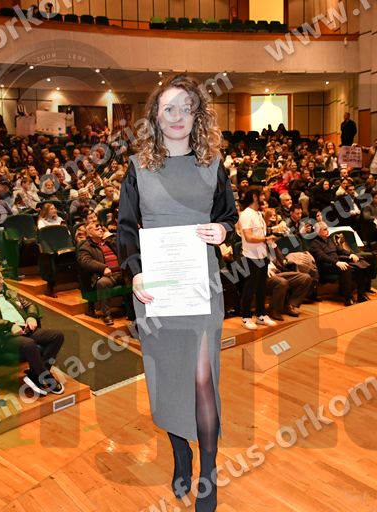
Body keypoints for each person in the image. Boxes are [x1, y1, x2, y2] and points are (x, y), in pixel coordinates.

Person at [117, 75, 238, 512]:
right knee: (169, 378)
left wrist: (222, 230)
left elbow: (229, 216)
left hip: (200, 286)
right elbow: (126, 229)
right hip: (156, 288)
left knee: (204, 379)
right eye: (168, 108)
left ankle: (209, 475)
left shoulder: (213, 163)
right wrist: (134, 273)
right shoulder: (137, 167)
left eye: (186, 108)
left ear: (197, 115)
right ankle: (181, 453)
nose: (177, 117)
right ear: (155, 115)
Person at [0, 268, 65, 395]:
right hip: (4, 336)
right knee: (29, 344)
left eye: (2, 278)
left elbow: (30, 305)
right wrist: (9, 326)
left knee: (57, 336)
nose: (2, 281)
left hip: (25, 329)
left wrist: (31, 316)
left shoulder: (10, 293)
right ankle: (46, 377)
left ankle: (34, 375)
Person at [236, 186, 277, 330]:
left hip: (262, 255)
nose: (264, 197)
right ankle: (246, 317)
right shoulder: (246, 214)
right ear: (255, 196)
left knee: (261, 287)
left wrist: (270, 234)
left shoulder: (258, 213)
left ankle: (261, 314)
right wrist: (266, 239)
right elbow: (248, 237)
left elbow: (260, 233)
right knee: (249, 288)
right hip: (250, 257)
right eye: (262, 195)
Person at [308, 222, 372, 305]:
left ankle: (361, 294)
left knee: (360, 265)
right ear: (318, 232)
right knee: (346, 268)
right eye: (325, 229)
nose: (327, 231)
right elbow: (322, 257)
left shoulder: (329, 240)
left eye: (327, 228)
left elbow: (340, 250)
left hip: (337, 262)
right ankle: (348, 298)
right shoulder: (314, 243)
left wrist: (350, 254)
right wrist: (336, 263)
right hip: (326, 266)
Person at [77, 220, 125, 326]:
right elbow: (85, 261)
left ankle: (132, 312)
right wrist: (103, 268)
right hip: (105, 276)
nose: (100, 229)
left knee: (133, 277)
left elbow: (123, 248)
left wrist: (111, 237)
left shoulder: (109, 241)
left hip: (121, 272)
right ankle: (106, 314)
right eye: (97, 228)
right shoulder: (86, 247)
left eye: (101, 227)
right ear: (89, 233)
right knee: (103, 283)